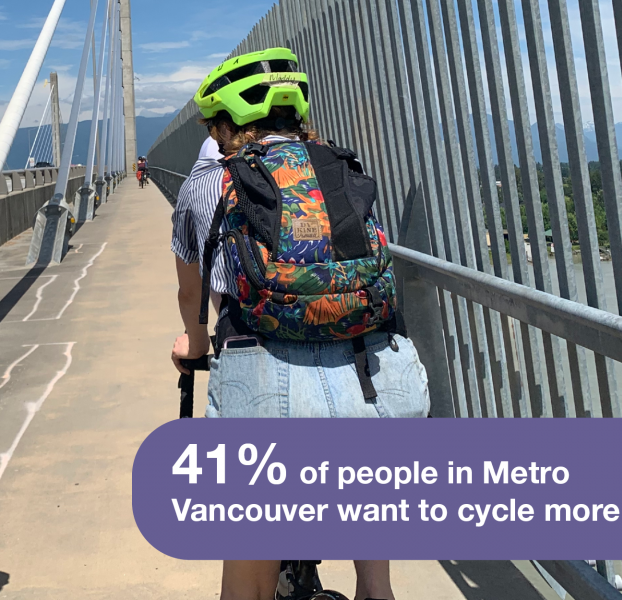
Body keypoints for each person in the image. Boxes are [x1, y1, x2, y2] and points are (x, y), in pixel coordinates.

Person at [169, 48, 429, 600]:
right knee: (376, 571)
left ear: (228, 124)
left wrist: (192, 345)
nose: (214, 141)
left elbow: (191, 293)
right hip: (374, 373)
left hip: (267, 377)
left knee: (249, 574)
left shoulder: (205, 183)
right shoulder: (342, 169)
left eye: (215, 129)